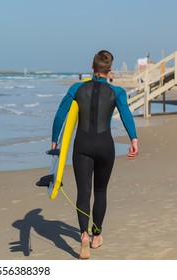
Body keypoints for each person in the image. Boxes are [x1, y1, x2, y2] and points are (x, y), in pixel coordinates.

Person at [51, 50, 139, 259]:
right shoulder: (117, 92)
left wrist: (55, 139)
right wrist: (134, 139)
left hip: (82, 145)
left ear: (92, 68)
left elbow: (61, 114)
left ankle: (83, 235)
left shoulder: (76, 88)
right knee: (100, 191)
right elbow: (126, 113)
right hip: (105, 146)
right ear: (110, 70)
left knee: (84, 191)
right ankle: (96, 236)